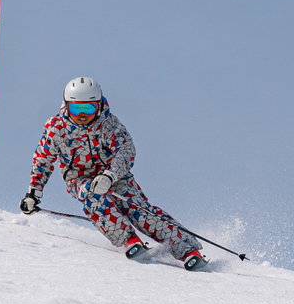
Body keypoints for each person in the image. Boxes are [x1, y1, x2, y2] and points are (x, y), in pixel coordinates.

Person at [20, 76, 207, 270]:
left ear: (98, 105)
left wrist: (110, 175)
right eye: (76, 108)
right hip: (79, 177)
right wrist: (33, 193)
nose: (82, 115)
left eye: (88, 108)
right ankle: (129, 239)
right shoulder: (56, 128)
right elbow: (42, 160)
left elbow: (126, 150)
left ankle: (188, 250)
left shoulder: (108, 124)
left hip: (114, 176)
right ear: (66, 105)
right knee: (93, 197)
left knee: (140, 212)